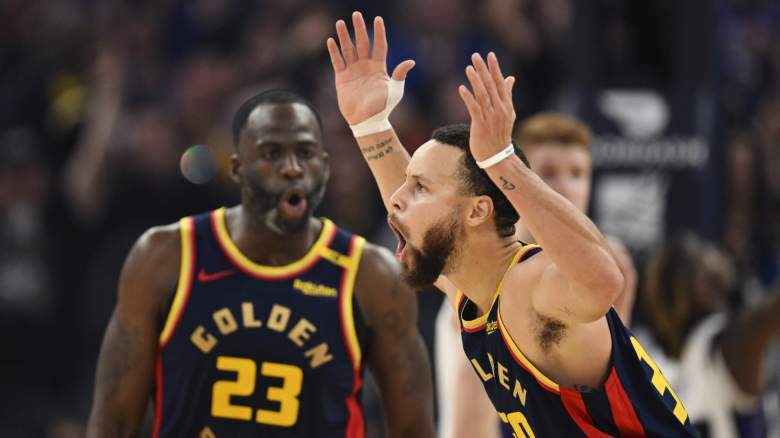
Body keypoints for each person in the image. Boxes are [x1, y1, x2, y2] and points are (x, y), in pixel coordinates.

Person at [327, 12, 698, 437]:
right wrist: (370, 127)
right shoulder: (477, 291)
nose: (398, 197)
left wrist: (501, 159)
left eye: (421, 187)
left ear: (477, 211)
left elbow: (602, 283)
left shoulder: (533, 284)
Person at [86, 90, 435, 438]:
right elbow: (114, 423)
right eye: (272, 153)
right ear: (237, 168)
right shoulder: (165, 257)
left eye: (306, 153)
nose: (292, 169)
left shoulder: (370, 275)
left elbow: (414, 431)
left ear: (324, 167)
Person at [434, 113, 638, 438]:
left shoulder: (611, 272)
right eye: (548, 173)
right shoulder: (479, 285)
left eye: (577, 173)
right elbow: (468, 429)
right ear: (515, 182)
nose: (566, 186)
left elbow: (613, 401)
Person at [643, 234, 780, 438]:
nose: (717, 253)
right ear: (698, 286)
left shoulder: (683, 368)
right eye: (706, 250)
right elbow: (765, 319)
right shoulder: (716, 347)